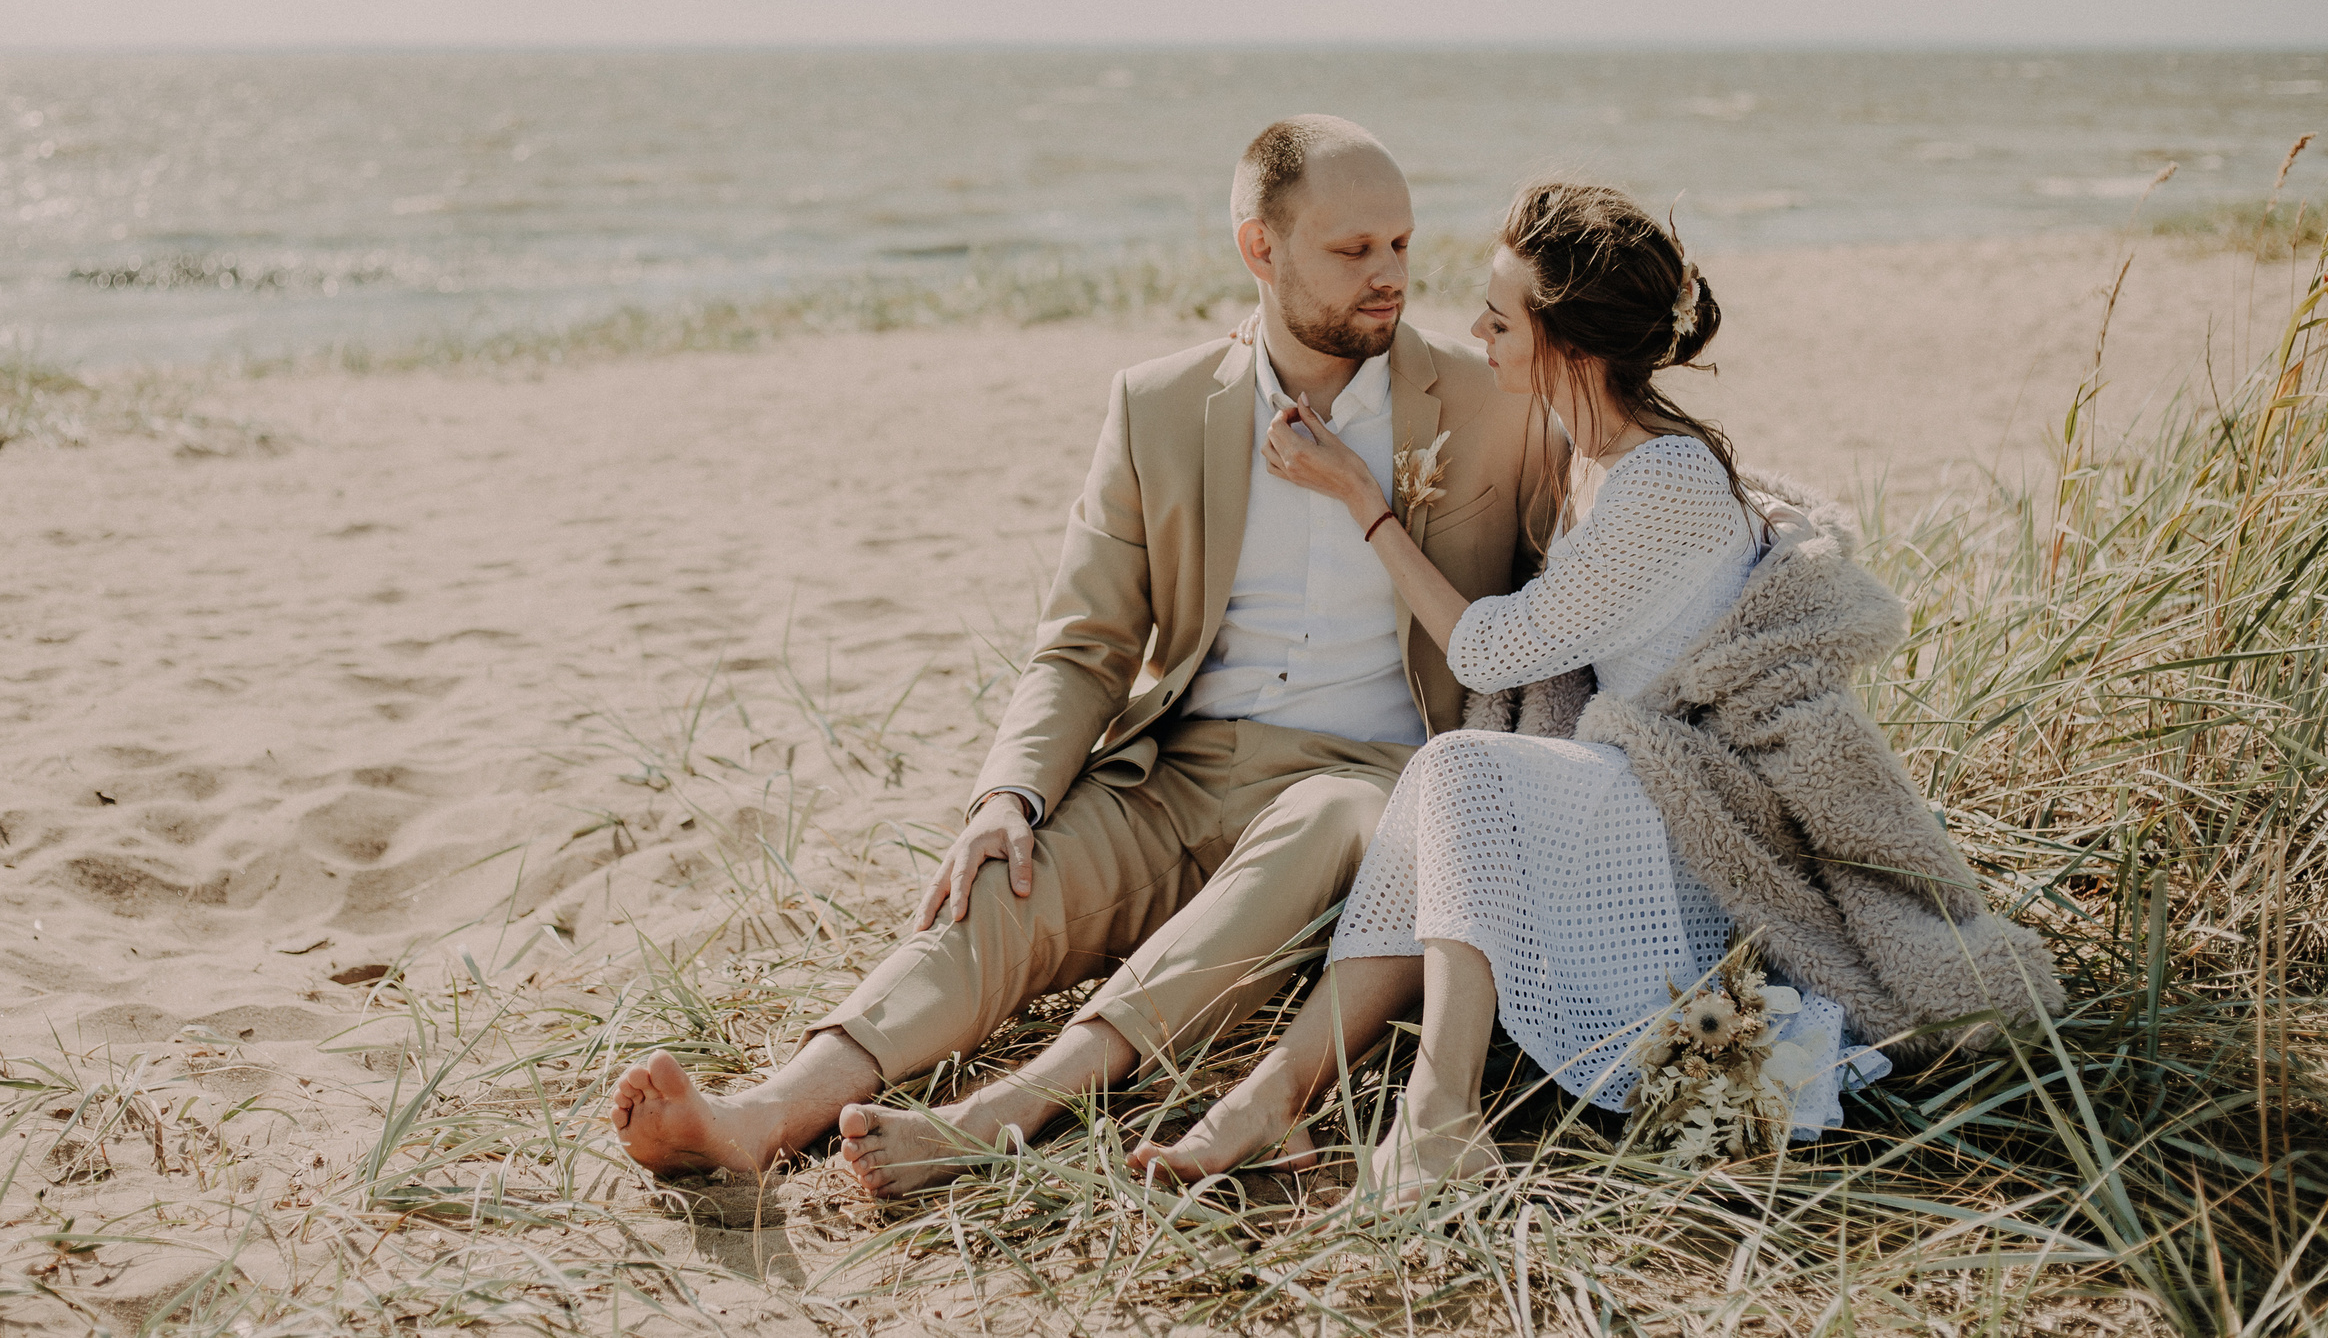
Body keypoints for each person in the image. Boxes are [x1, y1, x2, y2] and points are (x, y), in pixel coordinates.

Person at [607, 116, 1556, 1195]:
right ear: (1259, 248)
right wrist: (1005, 794)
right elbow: (1085, 641)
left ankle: (1006, 1112)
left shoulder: (1488, 405)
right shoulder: (1156, 406)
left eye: (1400, 243)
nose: (1389, 277)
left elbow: (1575, 575)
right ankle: (763, 1113)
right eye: (1354, 252)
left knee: (1331, 814)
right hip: (1180, 769)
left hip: (1370, 788)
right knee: (1001, 881)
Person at [1128, 182, 1984, 1193]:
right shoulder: (1586, 454)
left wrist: (1364, 503)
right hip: (1612, 787)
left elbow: (1491, 654)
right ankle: (1271, 1098)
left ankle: (1436, 1113)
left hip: (1683, 826)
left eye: (1498, 319)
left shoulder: (1665, 480)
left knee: (1459, 771)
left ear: (1567, 345)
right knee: (1431, 810)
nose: (1476, 333)